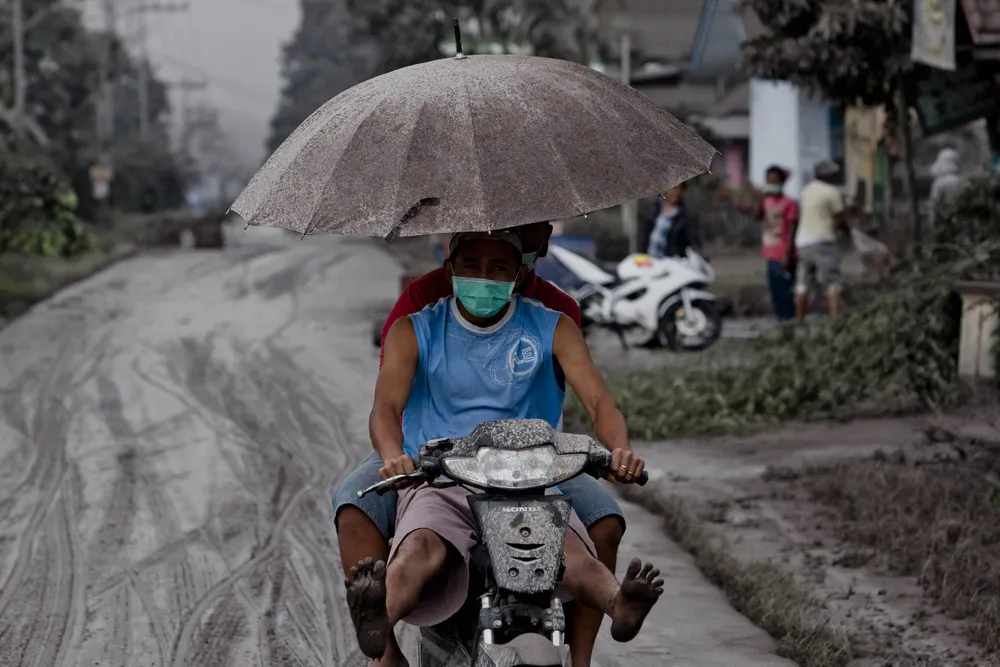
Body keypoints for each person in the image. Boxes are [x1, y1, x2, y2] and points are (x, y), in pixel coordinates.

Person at [350, 229, 662, 667]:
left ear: (518, 275)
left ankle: (619, 605)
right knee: (419, 547)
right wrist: (392, 454)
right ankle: (378, 621)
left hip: (532, 477)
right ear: (449, 270)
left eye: (497, 267)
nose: (484, 277)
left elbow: (599, 401)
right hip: (441, 476)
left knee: (569, 552)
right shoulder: (412, 328)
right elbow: (384, 407)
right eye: (471, 266)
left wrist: (620, 449)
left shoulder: (555, 324)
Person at [794, 160, 848, 325]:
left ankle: (800, 321)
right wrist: (848, 232)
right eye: (832, 173)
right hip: (823, 241)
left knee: (803, 283)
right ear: (825, 175)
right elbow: (840, 218)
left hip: (803, 242)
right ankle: (835, 320)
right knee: (832, 281)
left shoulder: (806, 190)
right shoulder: (832, 192)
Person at [758, 166, 799, 329]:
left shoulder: (790, 203)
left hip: (784, 255)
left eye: (774, 181)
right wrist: (759, 197)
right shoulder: (766, 201)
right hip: (770, 253)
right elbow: (756, 215)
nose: (771, 184)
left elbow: (792, 231)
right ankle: (780, 321)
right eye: (769, 181)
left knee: (785, 291)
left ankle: (789, 321)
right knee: (774, 290)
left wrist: (786, 255)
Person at [647, 183, 701, 258]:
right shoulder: (656, 209)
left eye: (680, 189)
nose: (677, 192)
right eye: (674, 188)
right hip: (650, 259)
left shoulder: (684, 215)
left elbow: (693, 241)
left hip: (670, 261)